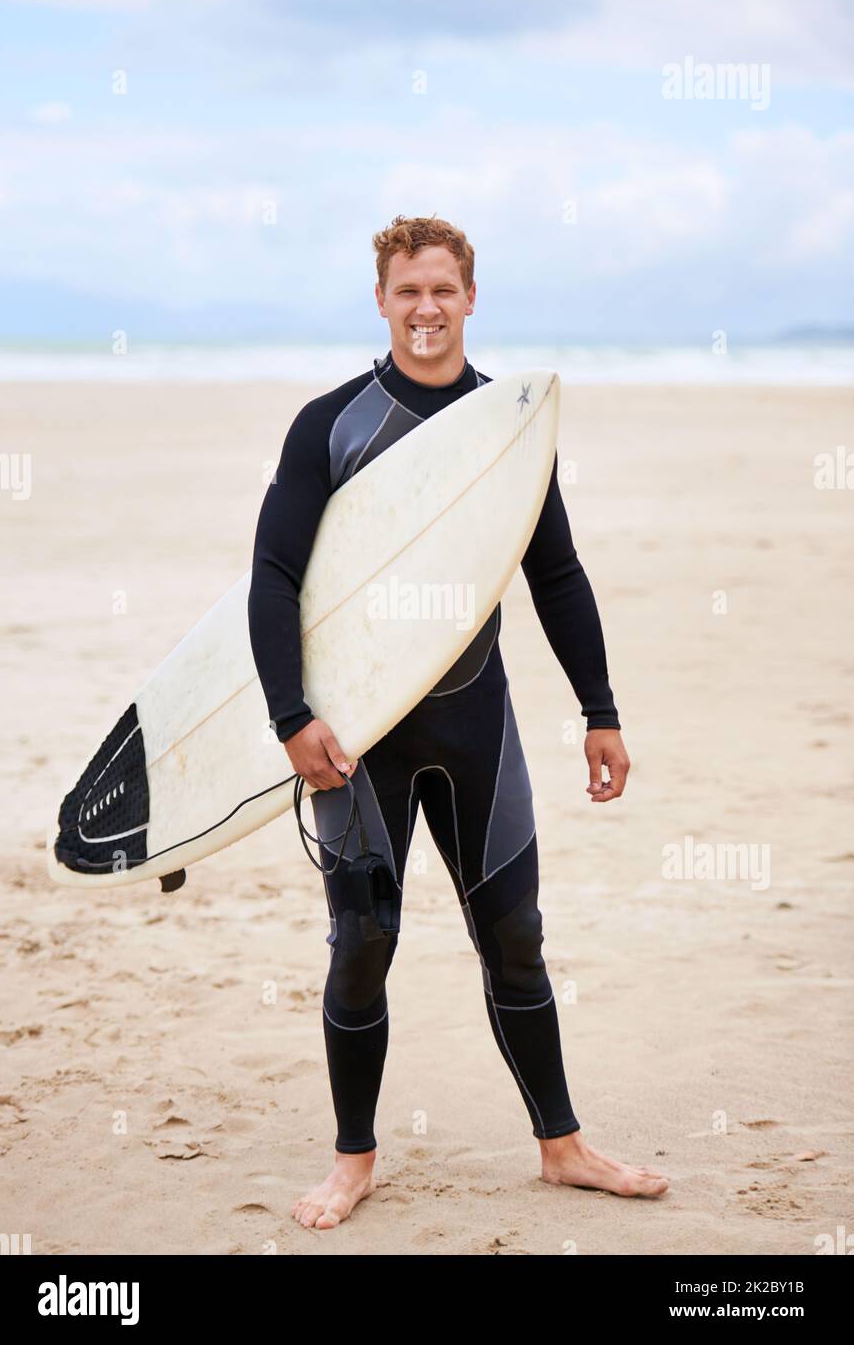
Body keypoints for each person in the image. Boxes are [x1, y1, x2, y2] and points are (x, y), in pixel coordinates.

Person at [248, 214, 669, 1229]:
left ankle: (560, 1146)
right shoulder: (331, 425)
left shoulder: (510, 427)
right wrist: (289, 718)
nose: (425, 309)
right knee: (360, 942)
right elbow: (272, 576)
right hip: (358, 736)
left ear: (470, 297)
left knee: (514, 938)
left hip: (476, 724)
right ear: (382, 302)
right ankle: (353, 1159)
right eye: (407, 292)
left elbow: (554, 571)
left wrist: (598, 711)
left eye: (442, 290)